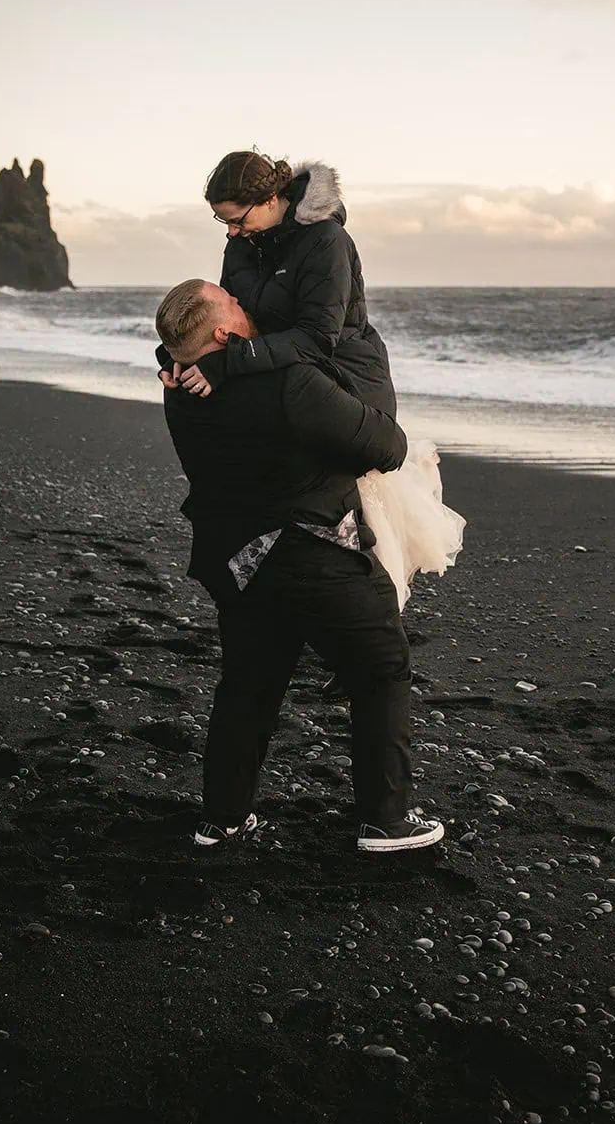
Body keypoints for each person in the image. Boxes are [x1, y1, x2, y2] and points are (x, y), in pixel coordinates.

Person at [155, 277, 446, 855]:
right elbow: (387, 447)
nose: (246, 300)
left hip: (236, 561)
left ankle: (223, 820)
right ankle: (386, 823)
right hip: (315, 554)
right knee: (381, 671)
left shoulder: (180, 388)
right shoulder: (288, 382)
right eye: (234, 301)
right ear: (223, 330)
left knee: (248, 684)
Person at [155, 151, 464, 609]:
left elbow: (320, 336)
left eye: (236, 220)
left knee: (354, 494)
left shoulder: (326, 240)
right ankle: (287, 596)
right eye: (222, 222)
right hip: (280, 369)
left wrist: (232, 361)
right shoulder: (242, 243)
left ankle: (371, 613)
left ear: (271, 198)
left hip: (346, 370)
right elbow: (226, 318)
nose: (231, 233)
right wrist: (179, 356)